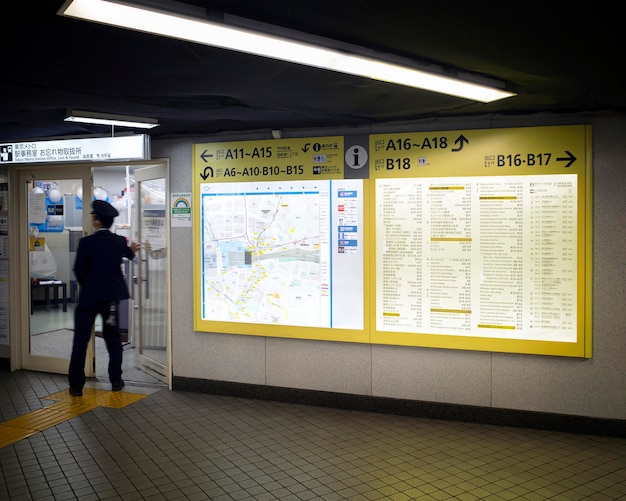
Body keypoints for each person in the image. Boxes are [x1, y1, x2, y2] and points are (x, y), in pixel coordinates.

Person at [68, 200, 140, 396]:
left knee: (80, 342)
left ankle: (76, 386)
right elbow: (129, 254)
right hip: (110, 301)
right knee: (113, 340)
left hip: (89, 299)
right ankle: (116, 380)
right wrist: (132, 251)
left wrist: (89, 283)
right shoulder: (118, 241)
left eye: (93, 217)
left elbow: (78, 271)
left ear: (97, 221)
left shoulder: (86, 243)